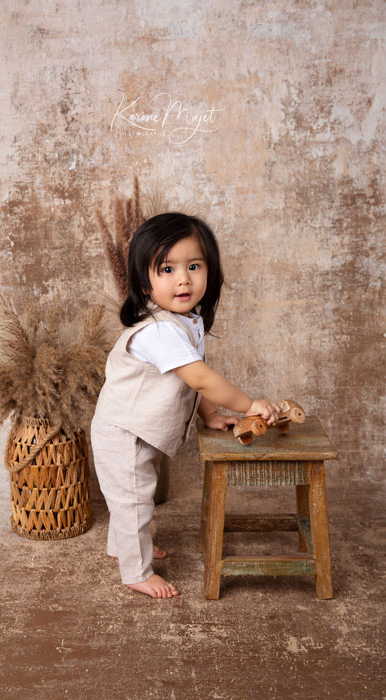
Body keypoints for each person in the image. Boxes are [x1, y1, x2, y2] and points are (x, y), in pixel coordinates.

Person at [91, 212, 281, 599]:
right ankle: (136, 570)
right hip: (123, 431)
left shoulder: (186, 322)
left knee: (133, 493)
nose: (183, 279)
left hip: (143, 431)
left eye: (194, 266)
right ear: (144, 282)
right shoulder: (158, 330)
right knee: (133, 500)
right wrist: (249, 405)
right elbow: (201, 378)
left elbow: (193, 381)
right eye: (167, 269)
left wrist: (211, 415)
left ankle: (124, 544)